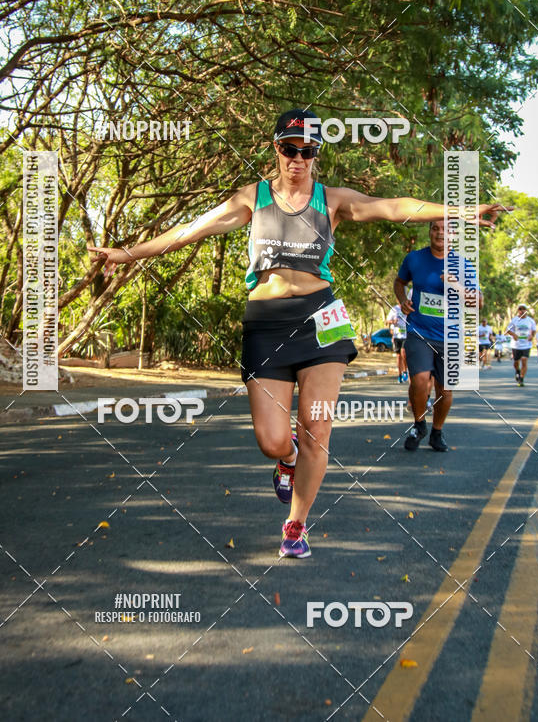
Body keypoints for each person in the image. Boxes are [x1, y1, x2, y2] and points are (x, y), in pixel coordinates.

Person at [89, 109, 503, 558]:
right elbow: (191, 230)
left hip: (323, 318)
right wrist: (129, 254)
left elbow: (394, 207)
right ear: (276, 149)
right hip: (266, 321)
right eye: (290, 150)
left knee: (316, 428)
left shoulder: (332, 200)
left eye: (307, 152)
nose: (298, 159)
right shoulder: (253, 198)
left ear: (315, 156)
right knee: (271, 440)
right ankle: (286, 460)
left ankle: (295, 525)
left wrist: (462, 210)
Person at [394, 220, 484, 453]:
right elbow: (399, 282)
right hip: (419, 331)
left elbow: (478, 302)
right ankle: (419, 424)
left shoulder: (463, 265)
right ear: (430, 232)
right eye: (435, 228)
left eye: (447, 229)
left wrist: (455, 285)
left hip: (451, 336)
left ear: (454, 234)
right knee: (420, 380)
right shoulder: (414, 258)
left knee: (444, 390)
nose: (440, 233)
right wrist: (402, 300)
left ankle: (437, 431)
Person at [507, 305, 537, 385]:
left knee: (524, 360)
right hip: (516, 345)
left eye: (524, 309)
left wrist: (532, 335)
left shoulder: (530, 320)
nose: (522, 311)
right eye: (520, 309)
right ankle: (517, 370)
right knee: (516, 362)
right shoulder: (515, 320)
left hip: (526, 345)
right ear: (518, 311)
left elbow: (534, 330)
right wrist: (514, 335)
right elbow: (508, 330)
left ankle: (521, 379)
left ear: (526, 311)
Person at [386, 303, 408, 383]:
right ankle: (399, 375)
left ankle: (405, 371)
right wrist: (393, 321)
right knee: (399, 356)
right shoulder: (394, 309)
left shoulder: (408, 307)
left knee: (404, 353)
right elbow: (387, 320)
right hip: (396, 336)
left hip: (406, 336)